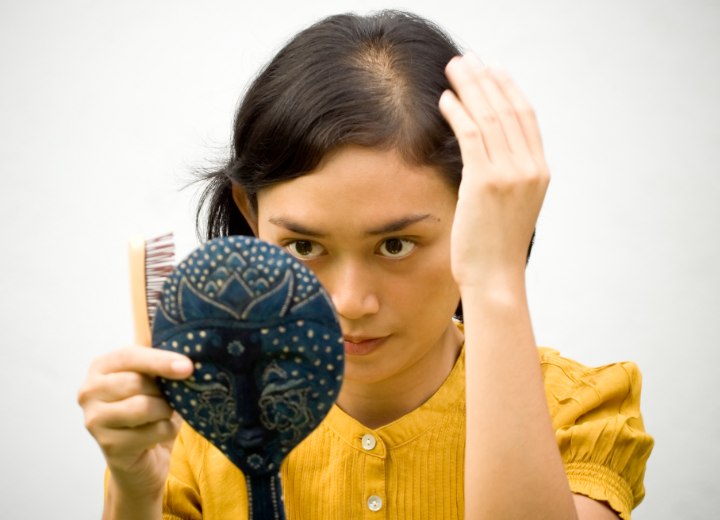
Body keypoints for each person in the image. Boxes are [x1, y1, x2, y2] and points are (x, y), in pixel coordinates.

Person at [77, 10, 653, 519]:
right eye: (304, 246)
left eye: (396, 245)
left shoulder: (576, 411)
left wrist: (496, 276)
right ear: (250, 215)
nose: (350, 302)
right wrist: (134, 495)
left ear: (478, 218)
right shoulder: (197, 422)